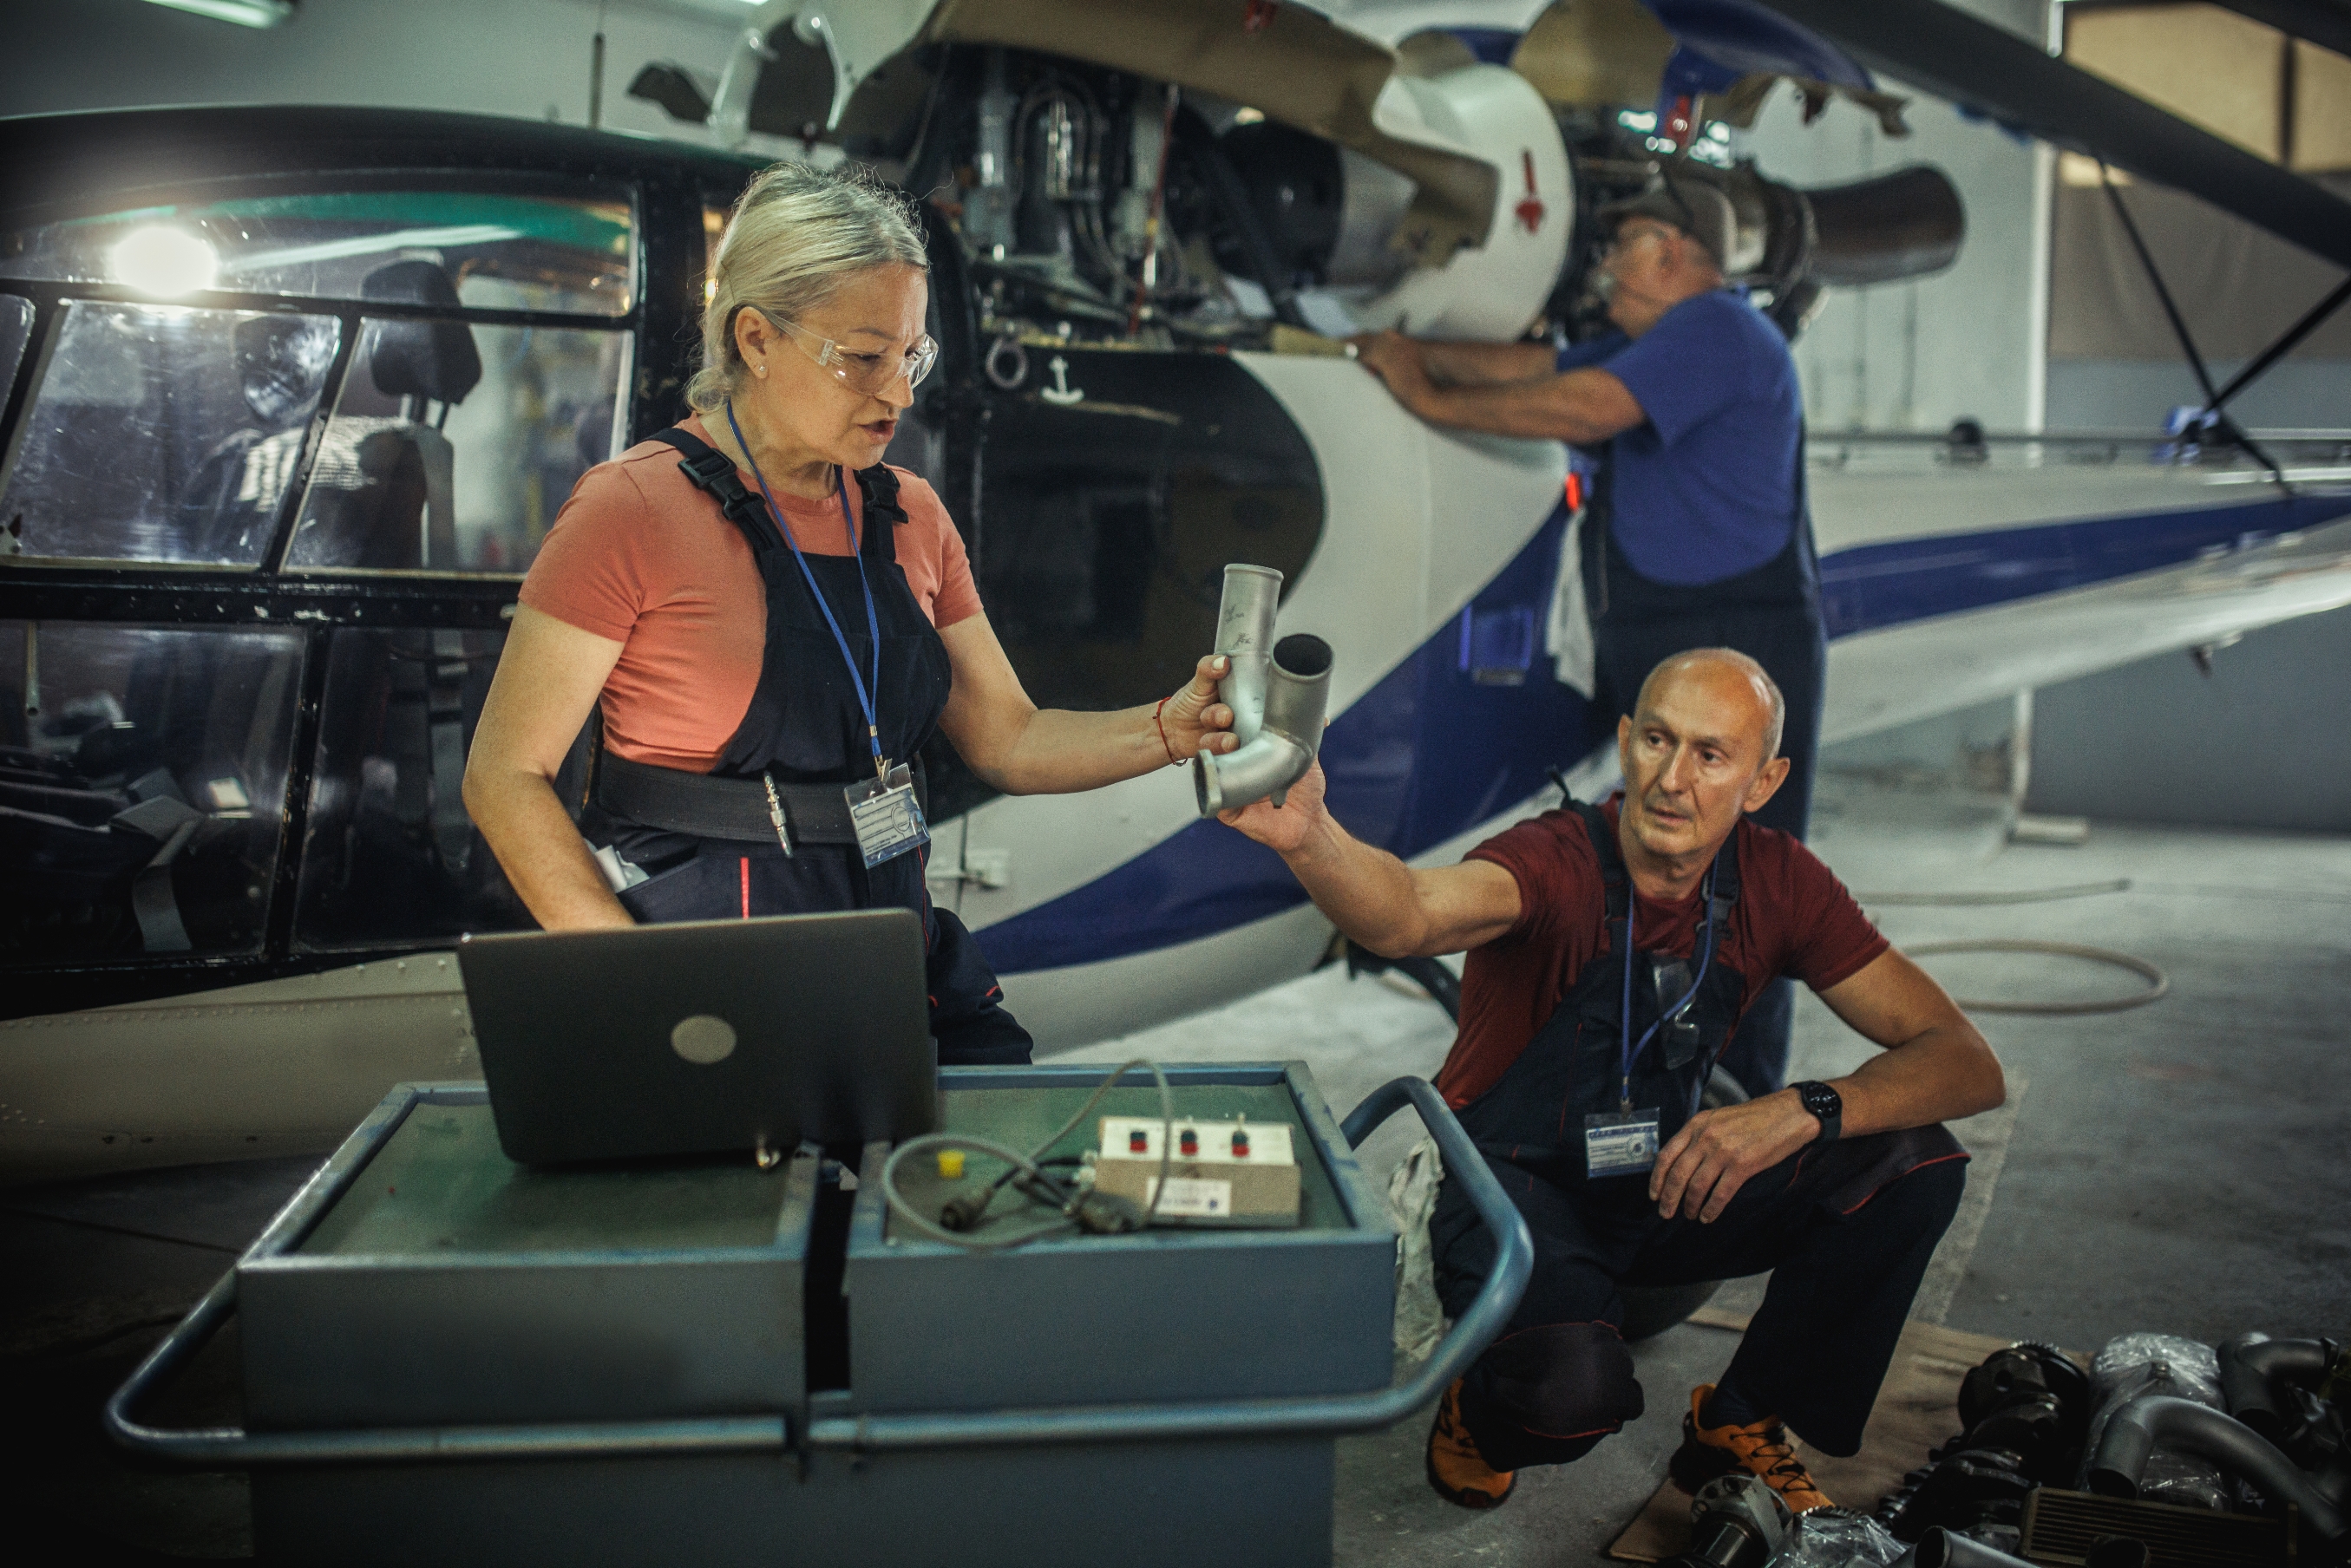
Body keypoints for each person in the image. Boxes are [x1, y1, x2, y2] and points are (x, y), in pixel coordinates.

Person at [465, 162, 1238, 1063]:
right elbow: (504, 778)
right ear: (755, 337)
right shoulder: (630, 509)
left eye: (912, 357)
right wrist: (640, 988)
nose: (899, 393)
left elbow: (1010, 739)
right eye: (863, 356)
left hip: (887, 951)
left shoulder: (909, 513)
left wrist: (1168, 728)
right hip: (708, 977)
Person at [1219, 648, 2003, 1514]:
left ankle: (1739, 1420)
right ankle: (1479, 1406)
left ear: (1763, 779)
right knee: (1564, 1401)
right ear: (1625, 741)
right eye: (1658, 740)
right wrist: (1311, 836)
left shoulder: (1779, 880)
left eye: (1711, 754)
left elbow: (1962, 1060)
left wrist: (1806, 1106)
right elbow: (1408, 911)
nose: (1673, 779)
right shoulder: (1552, 861)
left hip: (1659, 1176)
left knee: (1912, 1159)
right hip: (1512, 1185)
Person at [1350, 170, 1821, 1099]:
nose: (1604, 268)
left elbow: (1584, 407)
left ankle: (1732, 1103)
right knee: (1655, 865)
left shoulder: (1719, 327)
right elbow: (1538, 368)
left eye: (1618, 246)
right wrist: (1404, 349)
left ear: (1669, 252)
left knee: (1732, 880)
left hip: (1733, 643)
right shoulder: (1652, 341)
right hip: (1666, 639)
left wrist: (1429, 398)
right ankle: (1649, 1091)